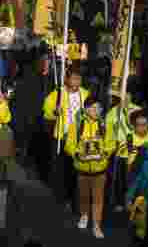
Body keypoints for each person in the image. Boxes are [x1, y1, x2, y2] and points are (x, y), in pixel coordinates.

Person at [65, 96, 112, 239]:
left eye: (99, 108)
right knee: (83, 195)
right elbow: (69, 144)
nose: (96, 111)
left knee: (98, 199)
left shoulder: (105, 125)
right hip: (82, 168)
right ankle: (84, 216)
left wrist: (105, 152)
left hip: (100, 169)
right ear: (86, 109)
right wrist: (76, 153)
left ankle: (97, 225)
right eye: (93, 107)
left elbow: (111, 143)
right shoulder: (77, 125)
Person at [43, 66, 89, 209]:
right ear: (67, 79)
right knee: (62, 168)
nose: (76, 81)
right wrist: (54, 112)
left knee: (76, 171)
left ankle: (74, 198)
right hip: (62, 137)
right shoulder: (58, 93)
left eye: (79, 78)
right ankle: (60, 198)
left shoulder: (85, 94)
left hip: (79, 138)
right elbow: (47, 112)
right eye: (74, 78)